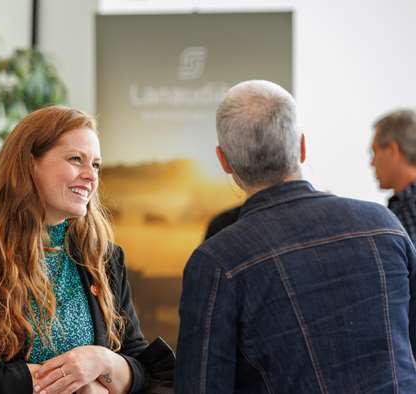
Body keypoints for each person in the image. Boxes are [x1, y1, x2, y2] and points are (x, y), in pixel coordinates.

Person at [175, 80, 416, 393]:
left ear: (224, 161)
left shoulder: (216, 263)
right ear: (302, 146)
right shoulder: (384, 227)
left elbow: (201, 385)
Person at [0, 106, 155, 394]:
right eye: (76, 159)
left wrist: (100, 361)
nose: (91, 176)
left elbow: (142, 369)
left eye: (96, 164)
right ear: (29, 164)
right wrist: (80, 384)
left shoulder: (105, 258)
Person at [370, 109, 416, 242]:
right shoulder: (402, 204)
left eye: (374, 151)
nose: (372, 163)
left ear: (392, 150)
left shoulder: (409, 207)